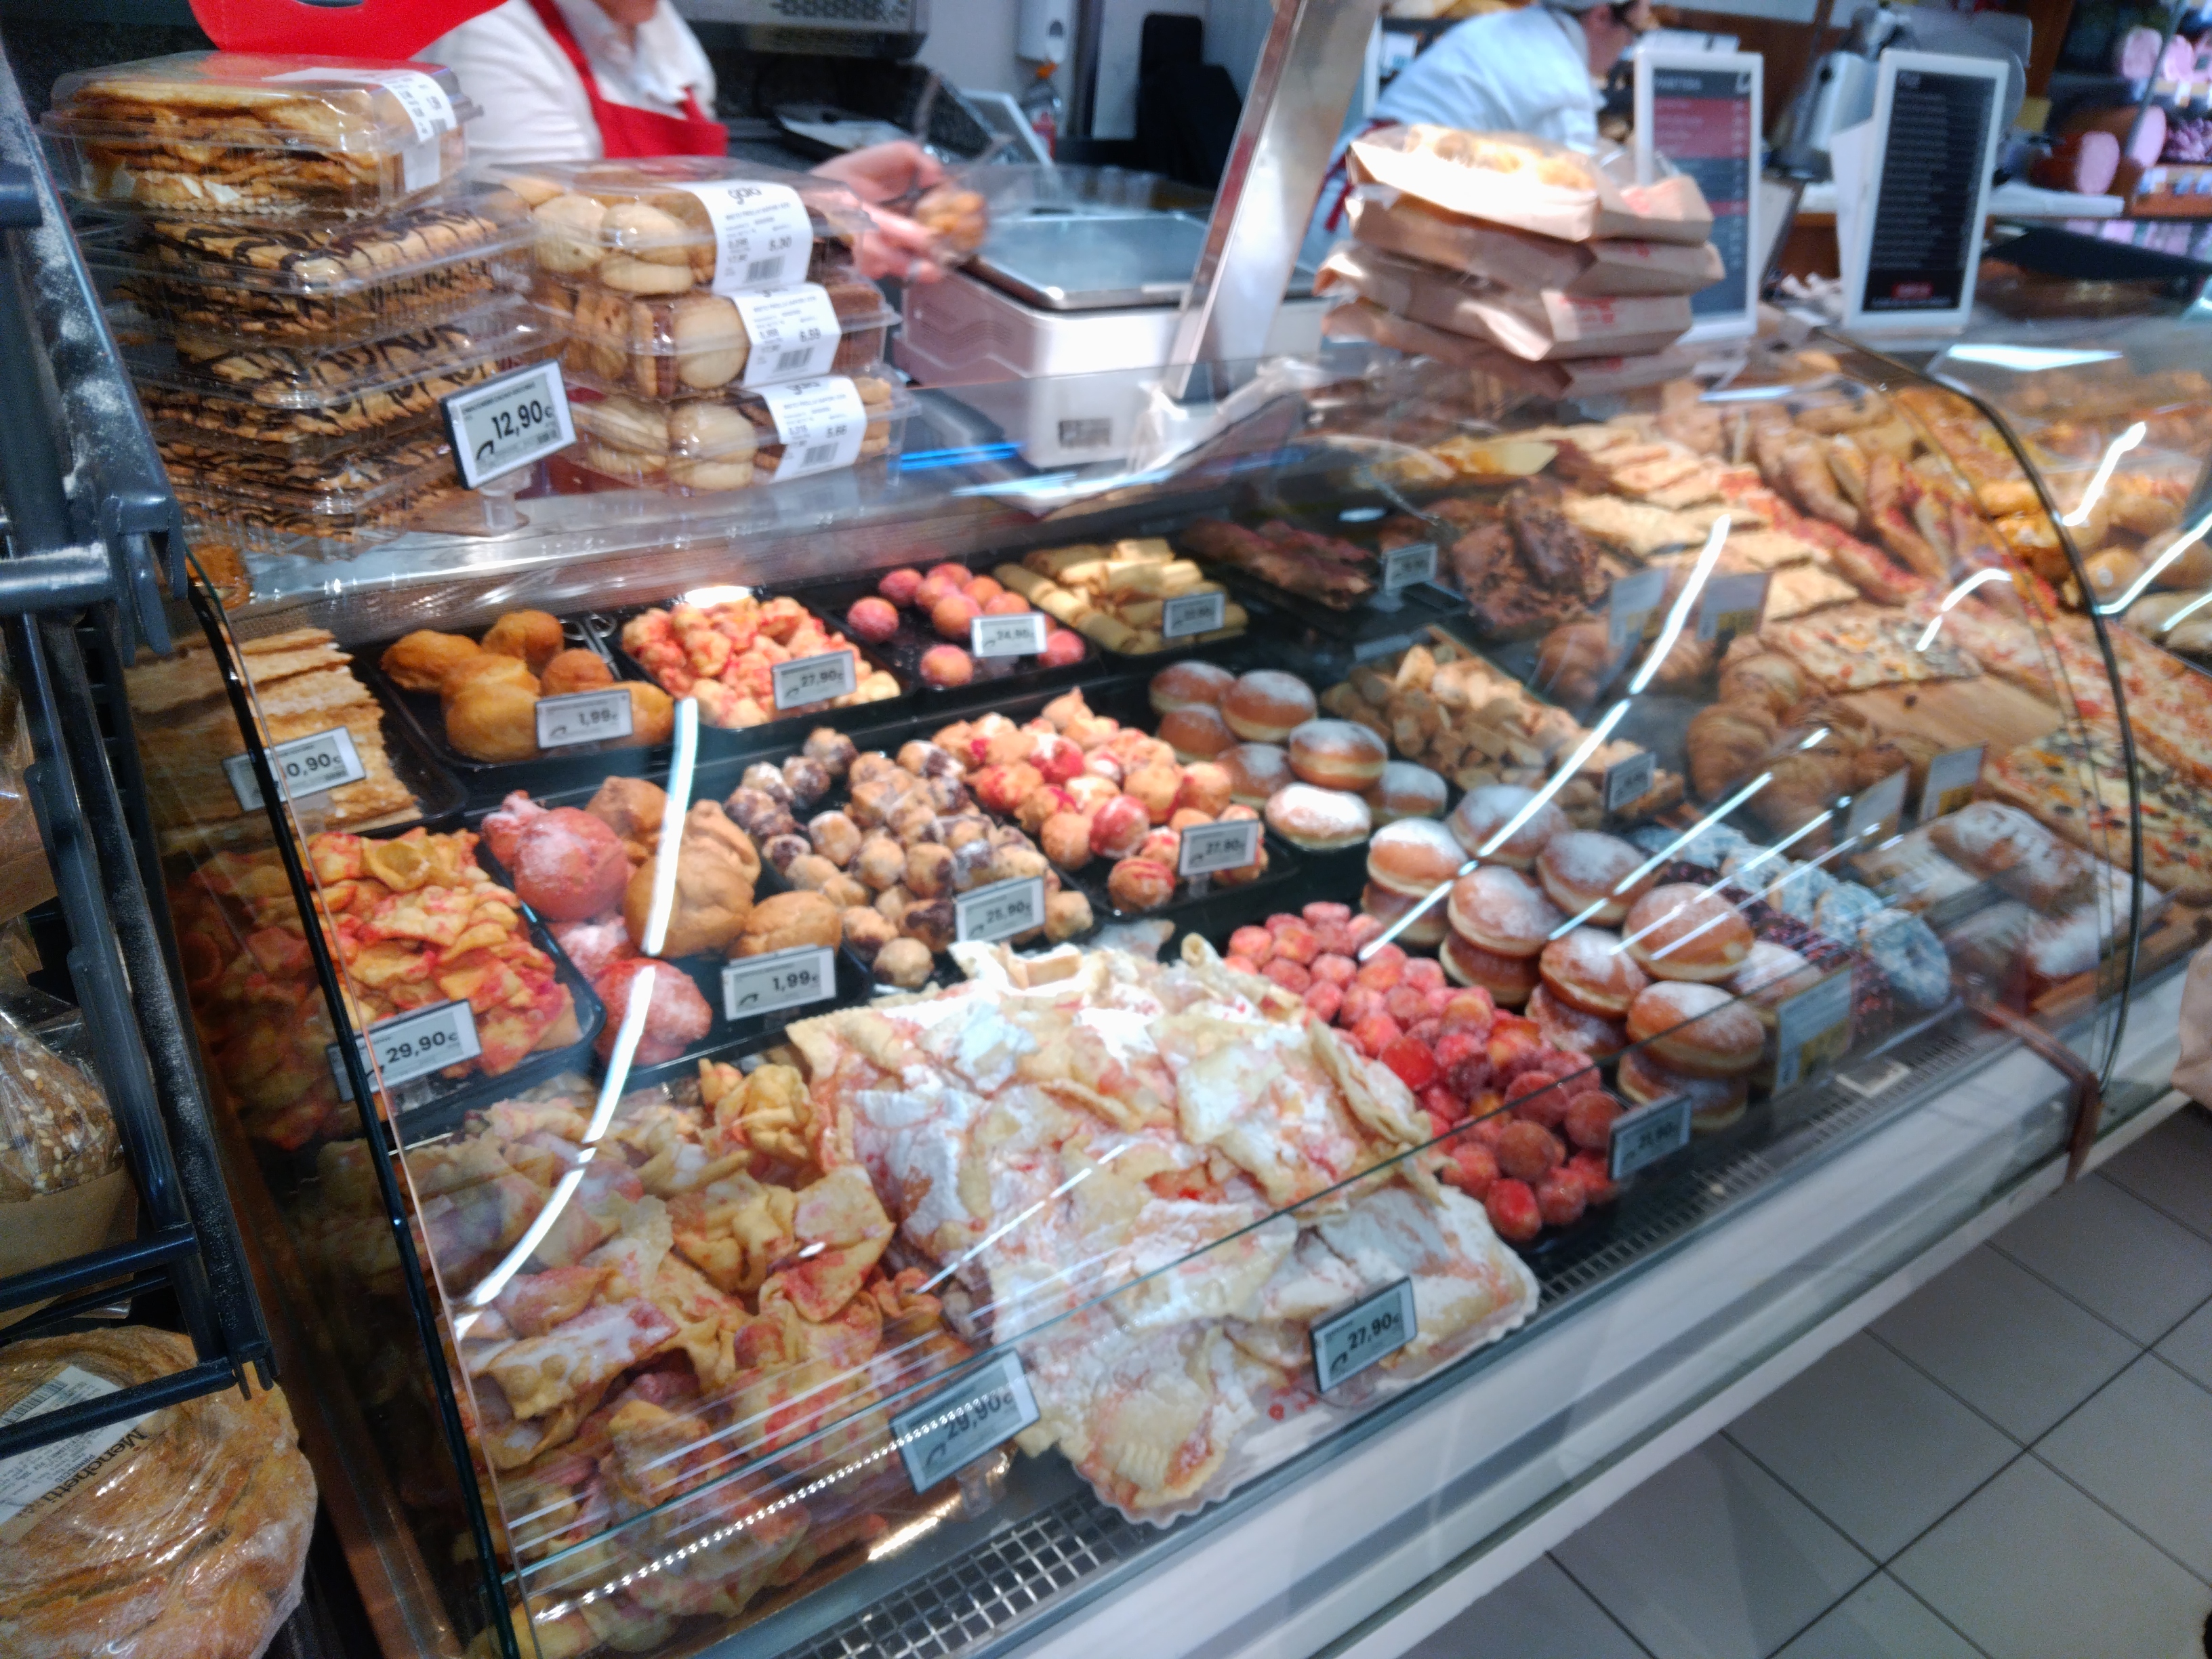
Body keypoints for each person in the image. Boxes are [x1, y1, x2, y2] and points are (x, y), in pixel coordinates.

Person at [422, 0, 947, 280]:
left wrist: (808, 194)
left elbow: (691, 205)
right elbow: (567, 254)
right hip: (567, 369)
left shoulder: (657, 25)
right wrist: (806, 232)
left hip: (669, 358)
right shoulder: (491, 33)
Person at [1306, 0, 1652, 245]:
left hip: (1343, 195)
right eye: (1633, 32)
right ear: (1601, 17)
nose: (1628, 46)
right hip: (1378, 214)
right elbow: (1573, 205)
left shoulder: (1501, 29)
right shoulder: (1560, 81)